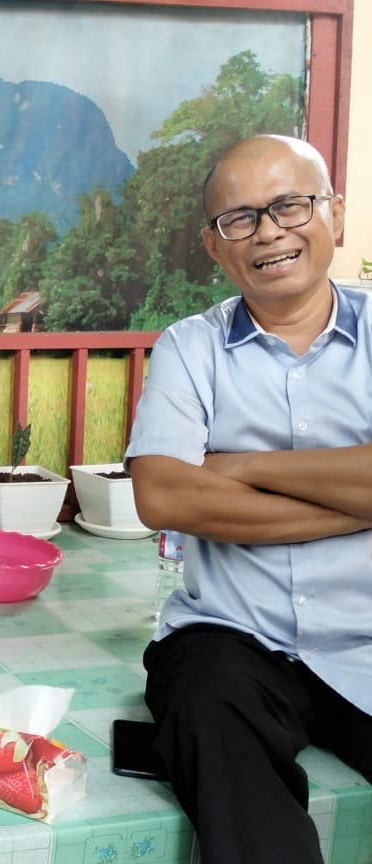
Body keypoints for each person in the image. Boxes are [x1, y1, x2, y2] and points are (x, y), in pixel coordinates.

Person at [126, 134, 372, 864]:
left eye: (290, 205)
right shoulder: (189, 347)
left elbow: (192, 481)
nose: (268, 231)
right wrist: (354, 500)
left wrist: (239, 466)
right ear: (214, 245)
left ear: (334, 213)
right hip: (232, 637)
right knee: (203, 709)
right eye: (240, 218)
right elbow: (162, 494)